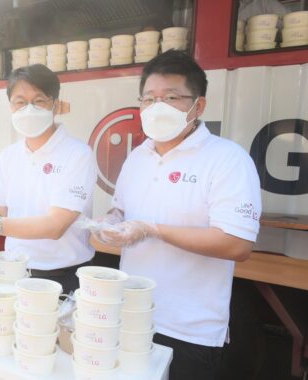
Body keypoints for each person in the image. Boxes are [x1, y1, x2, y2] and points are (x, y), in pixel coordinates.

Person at [92, 50, 261, 380]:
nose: (158, 108)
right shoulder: (137, 158)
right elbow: (121, 209)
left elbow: (237, 244)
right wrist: (109, 221)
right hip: (132, 317)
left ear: (198, 106)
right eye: (149, 99)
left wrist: (152, 229)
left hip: (189, 330)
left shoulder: (227, 159)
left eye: (171, 98)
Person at [0, 64, 97, 293]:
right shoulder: (9, 155)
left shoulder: (78, 154)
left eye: (39, 100)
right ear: (11, 106)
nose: (29, 110)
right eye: (20, 102)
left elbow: (55, 226)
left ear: (55, 104)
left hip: (64, 277)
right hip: (14, 274)